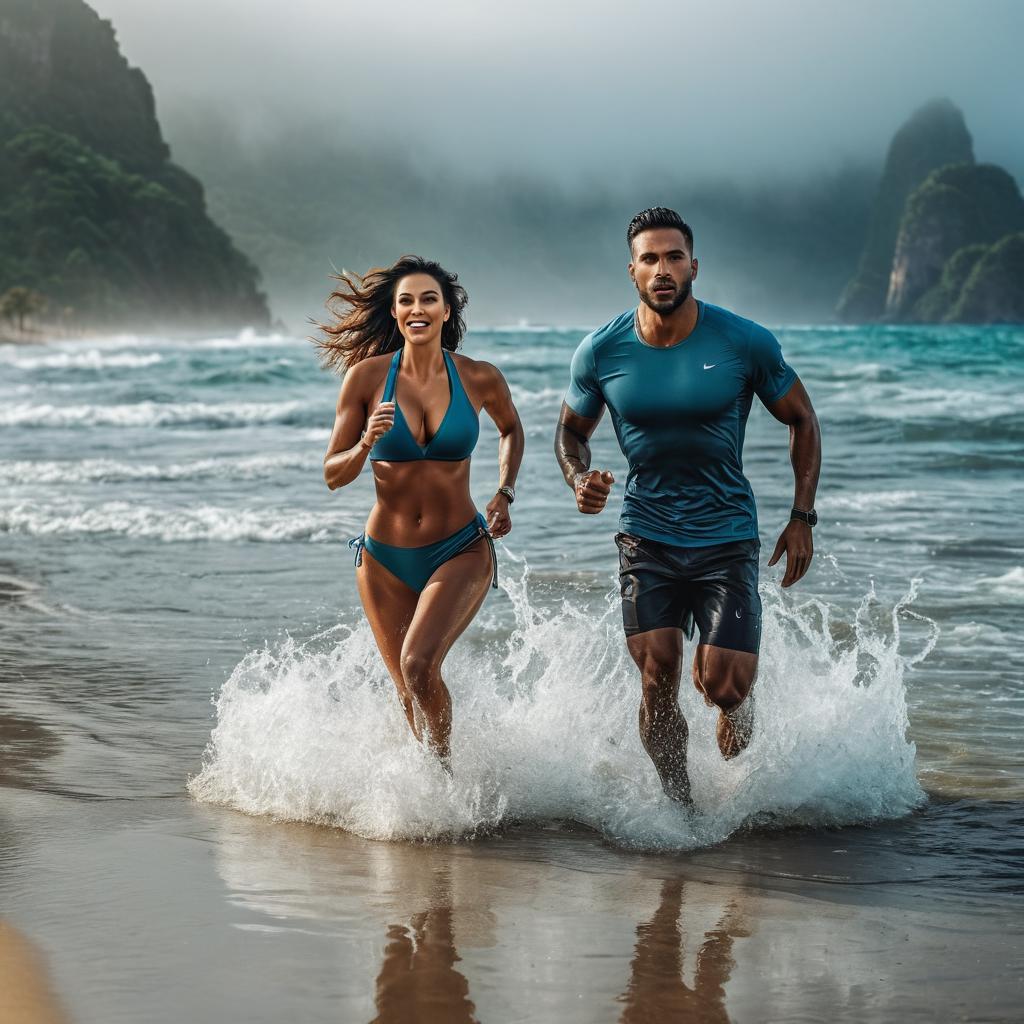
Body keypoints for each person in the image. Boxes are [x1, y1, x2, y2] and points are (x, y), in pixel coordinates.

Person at [554, 208, 821, 807]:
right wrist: (578, 478)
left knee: (724, 685)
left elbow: (802, 417)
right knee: (658, 677)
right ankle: (684, 811)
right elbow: (570, 432)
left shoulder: (742, 341)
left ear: (694, 265)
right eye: (650, 259)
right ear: (632, 271)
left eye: (674, 257)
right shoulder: (601, 350)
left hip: (725, 535)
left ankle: (739, 735)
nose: (663, 269)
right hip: (645, 536)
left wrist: (802, 516)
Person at [318, 255, 524, 769]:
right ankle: (434, 800)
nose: (417, 309)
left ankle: (446, 784)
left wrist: (505, 491)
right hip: (384, 558)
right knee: (410, 691)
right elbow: (332, 474)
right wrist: (367, 441)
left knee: (419, 662)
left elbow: (511, 429)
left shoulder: (479, 377)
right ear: (393, 312)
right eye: (406, 300)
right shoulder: (366, 379)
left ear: (447, 312)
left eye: (429, 299)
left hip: (460, 547)